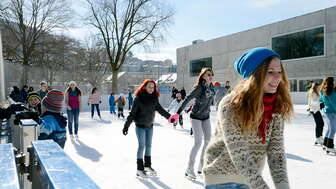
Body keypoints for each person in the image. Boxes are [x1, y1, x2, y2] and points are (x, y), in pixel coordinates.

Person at [202, 47, 293, 189]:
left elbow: (276, 153)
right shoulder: (230, 105)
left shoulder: (276, 107)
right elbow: (239, 154)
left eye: (279, 72)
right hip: (220, 178)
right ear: (254, 75)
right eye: (270, 72)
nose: (277, 77)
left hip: (250, 180)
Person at [122, 79, 175, 178]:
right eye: (149, 86)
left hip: (150, 126)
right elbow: (132, 114)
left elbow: (160, 109)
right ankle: (139, 169)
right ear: (144, 87)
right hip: (140, 126)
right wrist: (126, 126)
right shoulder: (138, 98)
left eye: (153, 87)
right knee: (142, 146)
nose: (151, 89)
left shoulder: (154, 98)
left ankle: (147, 166)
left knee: (149, 146)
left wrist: (170, 117)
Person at [171, 67, 215, 180]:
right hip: (196, 117)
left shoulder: (211, 86)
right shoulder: (199, 88)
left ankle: (201, 166)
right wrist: (178, 113)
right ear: (203, 76)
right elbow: (187, 99)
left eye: (211, 74)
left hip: (206, 116)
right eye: (208, 74)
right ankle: (189, 169)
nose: (211, 76)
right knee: (198, 143)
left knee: (208, 141)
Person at [319, 77, 336, 154]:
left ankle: (326, 144)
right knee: (333, 129)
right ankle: (329, 146)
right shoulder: (331, 91)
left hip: (326, 111)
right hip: (332, 112)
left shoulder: (323, 90)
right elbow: (334, 103)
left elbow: (321, 100)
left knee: (329, 129)